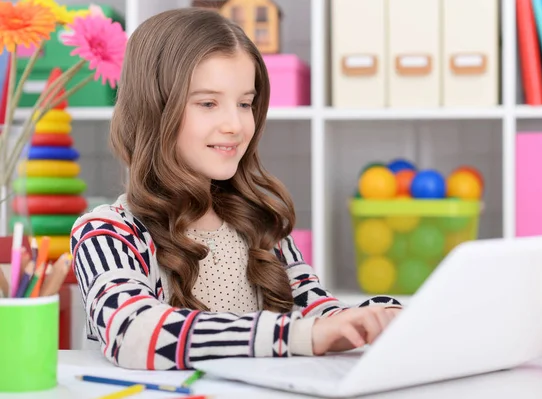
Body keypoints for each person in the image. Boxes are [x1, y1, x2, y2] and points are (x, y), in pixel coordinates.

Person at [70, 7, 402, 370]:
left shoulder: (260, 224)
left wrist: (374, 317)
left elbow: (317, 310)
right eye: (208, 103)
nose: (235, 124)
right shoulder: (107, 232)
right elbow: (133, 331)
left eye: (245, 103)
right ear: (153, 110)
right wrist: (298, 335)